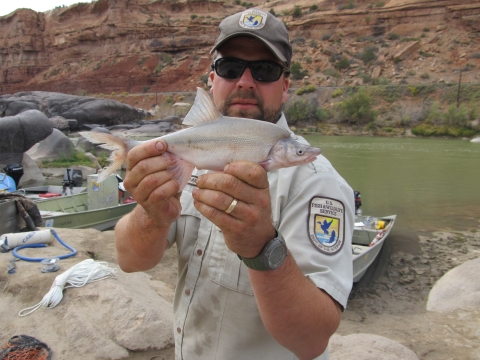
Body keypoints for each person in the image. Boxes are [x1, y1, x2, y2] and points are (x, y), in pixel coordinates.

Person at [115, 8, 354, 360]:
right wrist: (152, 215)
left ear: (285, 87)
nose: (245, 81)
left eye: (265, 70)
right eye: (230, 68)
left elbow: (312, 342)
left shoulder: (319, 184)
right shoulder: (185, 159)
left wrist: (261, 245)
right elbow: (129, 261)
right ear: (213, 79)